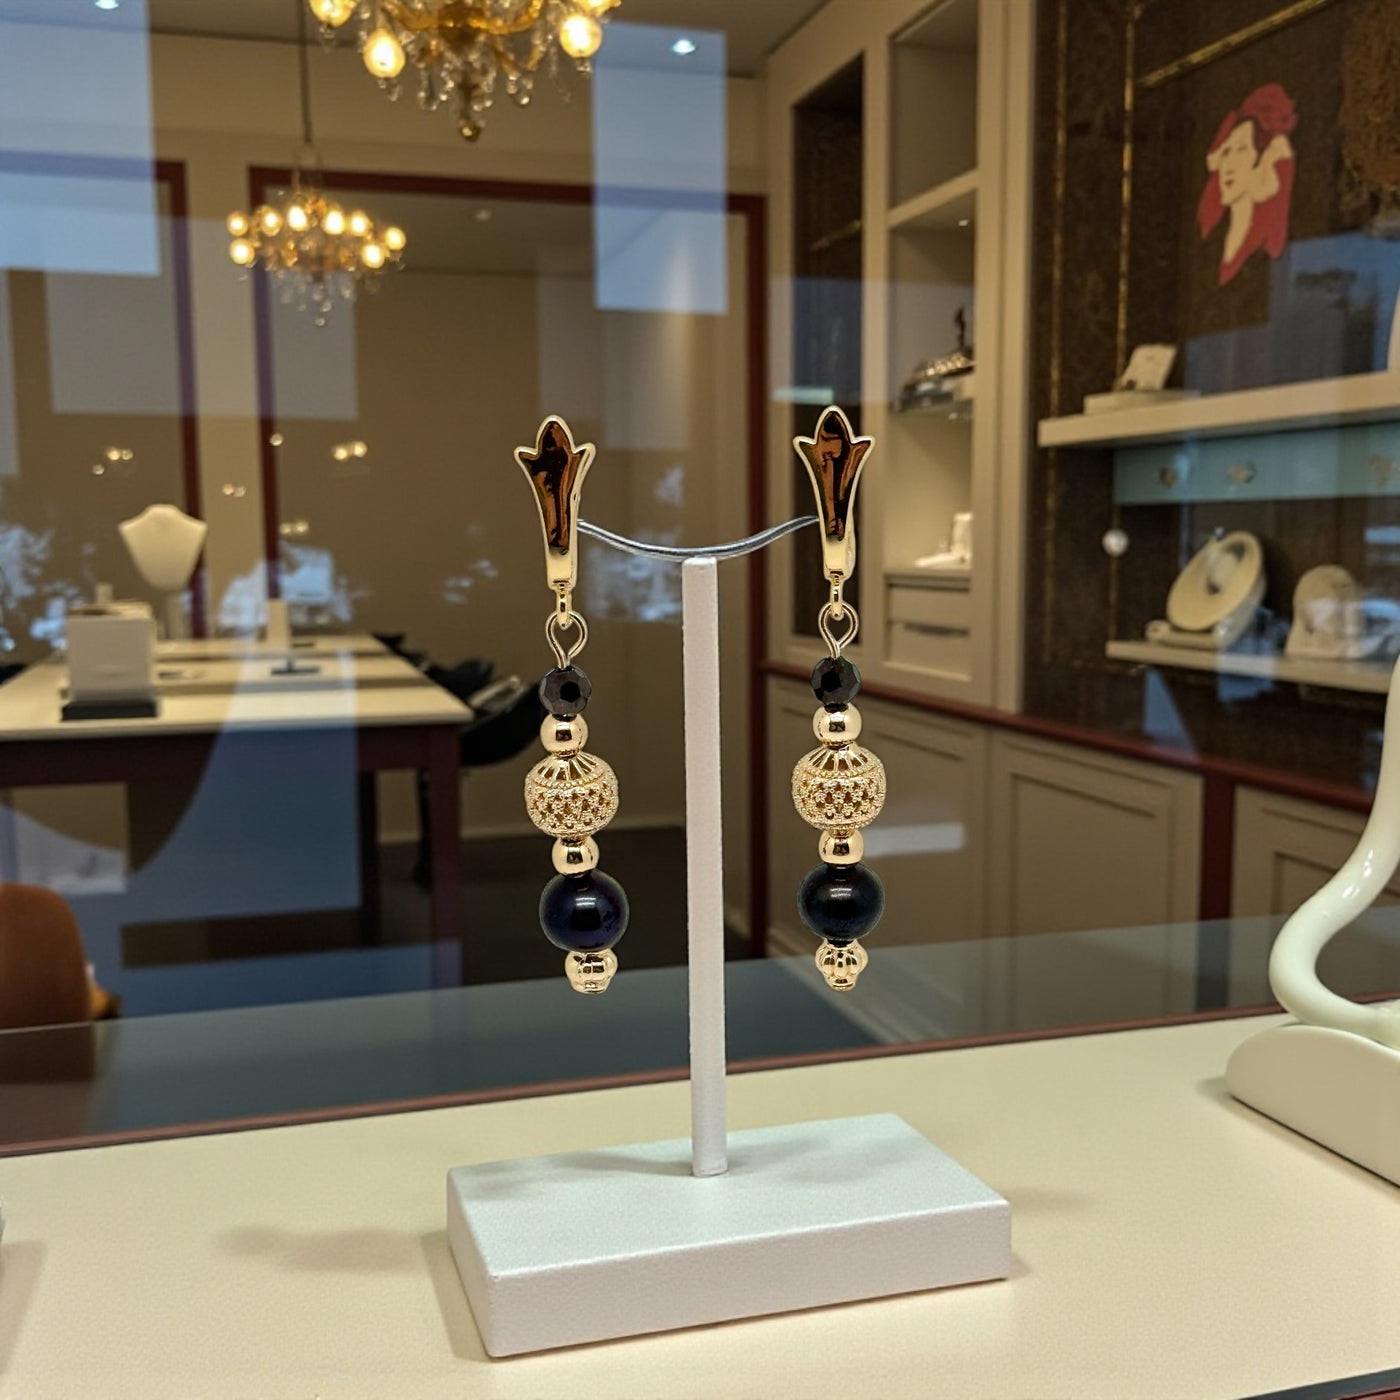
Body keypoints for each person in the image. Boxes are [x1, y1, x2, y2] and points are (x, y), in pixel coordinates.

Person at [1197, 82, 1297, 286]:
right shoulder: (1210, 243)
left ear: (1264, 159)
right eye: (1226, 152)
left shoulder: (1267, 253)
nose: (1229, 164)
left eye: (1241, 150)